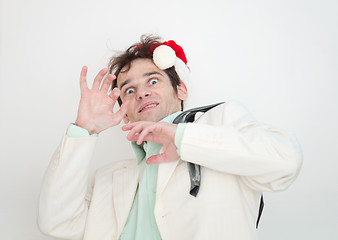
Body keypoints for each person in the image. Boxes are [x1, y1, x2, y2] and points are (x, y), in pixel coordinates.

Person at [37, 35, 302, 240]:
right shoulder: (108, 177)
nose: (141, 93)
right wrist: (84, 129)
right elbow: (56, 223)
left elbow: (285, 161)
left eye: (153, 81)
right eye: (129, 90)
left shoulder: (222, 121)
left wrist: (184, 139)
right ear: (124, 114)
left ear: (181, 90)